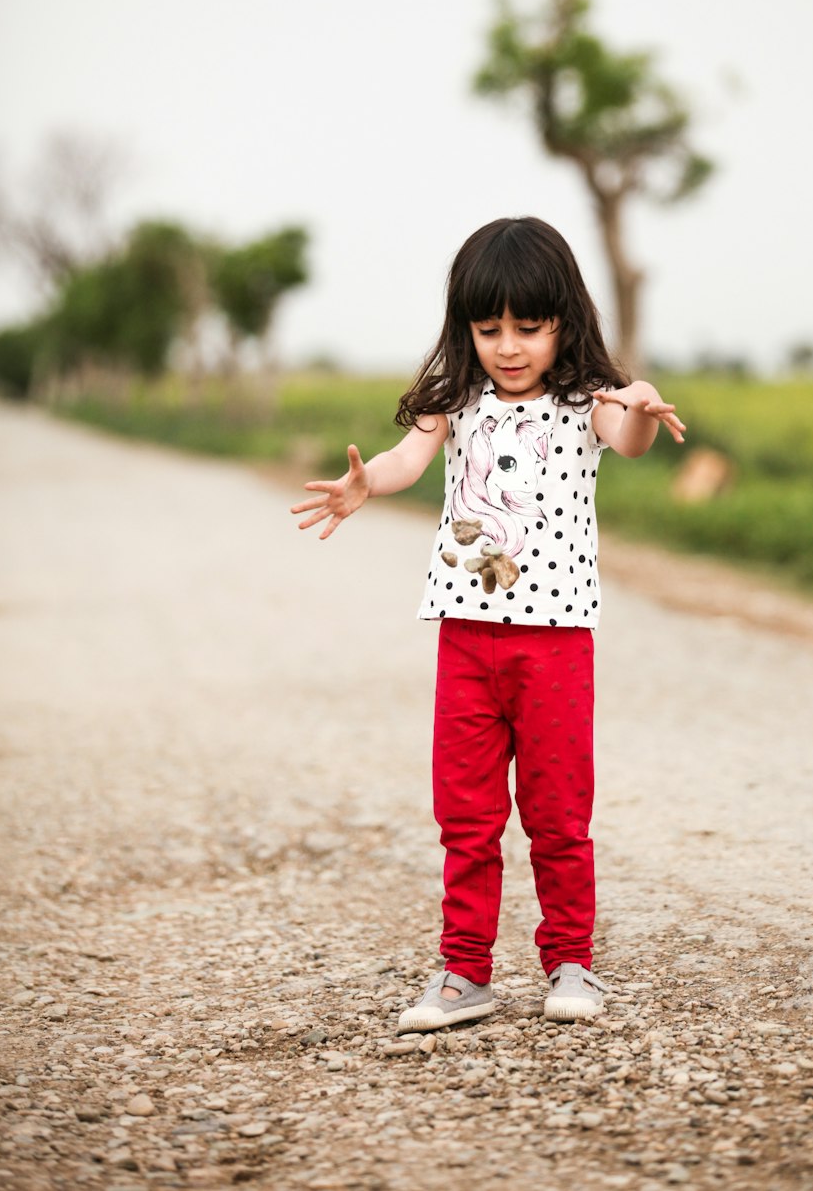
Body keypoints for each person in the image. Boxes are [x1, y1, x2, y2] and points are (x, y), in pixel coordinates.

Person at [290, 217, 685, 1029]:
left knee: (556, 814)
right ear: (466, 329)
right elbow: (407, 458)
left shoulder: (587, 401)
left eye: (528, 328)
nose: (508, 346)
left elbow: (633, 440)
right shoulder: (455, 398)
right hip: (466, 636)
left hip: (557, 644)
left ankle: (571, 963)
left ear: (565, 322)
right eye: (488, 327)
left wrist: (640, 403)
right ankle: (463, 973)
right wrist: (370, 485)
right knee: (466, 815)